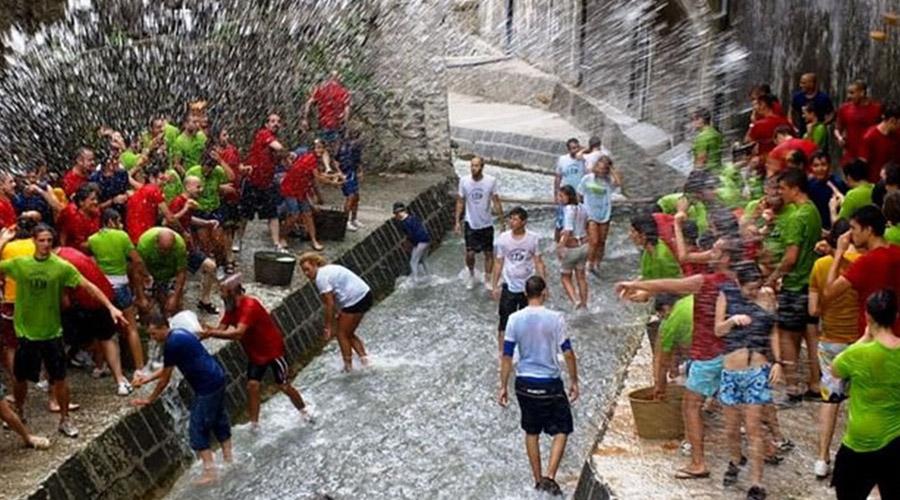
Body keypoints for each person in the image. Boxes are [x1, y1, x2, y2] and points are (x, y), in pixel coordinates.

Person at [615, 241, 739, 480]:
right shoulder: (737, 280)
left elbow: (670, 284)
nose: (710, 253)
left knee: (690, 407)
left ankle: (698, 463)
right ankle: (761, 450)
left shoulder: (707, 281)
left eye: (716, 251)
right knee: (737, 406)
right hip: (733, 353)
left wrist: (635, 284)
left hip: (709, 355)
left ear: (726, 258)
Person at [0, 224, 126, 438]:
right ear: (33, 241)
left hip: (52, 332)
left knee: (60, 379)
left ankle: (65, 419)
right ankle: (20, 410)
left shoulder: (60, 266)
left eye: (49, 240)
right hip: (26, 333)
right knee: (20, 379)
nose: (46, 245)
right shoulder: (21, 264)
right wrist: (2, 241)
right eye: (41, 240)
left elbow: (88, 286)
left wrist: (110, 306)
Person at [498, 276, 578, 497]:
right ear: (544, 292)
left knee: (531, 431)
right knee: (562, 429)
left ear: (525, 294)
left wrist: (503, 385)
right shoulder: (556, 318)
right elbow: (568, 352)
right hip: (550, 383)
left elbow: (506, 356)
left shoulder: (514, 319)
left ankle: (537, 480)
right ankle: (550, 477)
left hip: (524, 383)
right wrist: (574, 381)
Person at [132, 312, 232, 485]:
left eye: (154, 333)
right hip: (217, 376)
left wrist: (150, 399)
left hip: (206, 386)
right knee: (218, 418)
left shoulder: (172, 343)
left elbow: (165, 379)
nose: (153, 338)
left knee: (196, 428)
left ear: (164, 328)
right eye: (150, 335)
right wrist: (146, 379)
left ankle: (210, 472)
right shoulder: (180, 334)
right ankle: (229, 459)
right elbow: (167, 368)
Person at [201, 274, 310, 428]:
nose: (221, 295)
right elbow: (221, 330)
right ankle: (254, 424)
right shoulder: (231, 308)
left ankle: (304, 411)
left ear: (233, 292)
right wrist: (203, 333)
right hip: (256, 354)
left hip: (273, 351)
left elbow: (238, 333)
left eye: (223, 291)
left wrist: (210, 333)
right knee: (252, 386)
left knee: (283, 385)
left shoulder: (249, 306)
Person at [714, 262, 782, 500]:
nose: (754, 292)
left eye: (758, 287)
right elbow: (718, 330)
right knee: (732, 428)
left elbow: (774, 332)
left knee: (753, 428)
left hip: (757, 371)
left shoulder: (767, 297)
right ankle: (735, 459)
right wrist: (733, 320)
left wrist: (778, 362)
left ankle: (757, 483)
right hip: (731, 372)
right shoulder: (727, 294)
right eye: (750, 288)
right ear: (738, 283)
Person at [829, 290, 900, 500]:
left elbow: (834, 370)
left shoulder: (856, 355)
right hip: (896, 441)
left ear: (867, 316)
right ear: (896, 316)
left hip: (860, 443)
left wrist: (864, 337)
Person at [808, 220, 860, 479]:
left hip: (830, 342)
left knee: (830, 400)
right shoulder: (861, 265)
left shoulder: (820, 265)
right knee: (858, 401)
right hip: (860, 341)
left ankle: (822, 457)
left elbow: (813, 310)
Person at [768, 168, 822, 404]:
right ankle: (809, 380)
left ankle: (791, 388)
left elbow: (790, 257)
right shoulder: (813, 212)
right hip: (809, 282)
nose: (781, 193)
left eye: (783, 189)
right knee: (804, 334)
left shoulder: (797, 217)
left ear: (794, 188)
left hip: (795, 283)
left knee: (787, 336)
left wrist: (774, 276)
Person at [56, 244, 132, 396]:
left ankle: (52, 380)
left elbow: (65, 301)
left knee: (62, 339)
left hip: (89, 302)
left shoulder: (59, 263)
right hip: (104, 295)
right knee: (107, 338)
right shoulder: (70, 251)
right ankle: (119, 379)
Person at [87, 209, 148, 374]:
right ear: (110, 221)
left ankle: (100, 366)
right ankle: (140, 368)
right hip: (121, 286)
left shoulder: (92, 240)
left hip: (102, 289)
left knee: (103, 332)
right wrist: (144, 275)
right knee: (131, 328)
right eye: (118, 221)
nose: (121, 224)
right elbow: (137, 259)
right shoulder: (122, 236)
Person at [823, 205, 900, 335]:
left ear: (868, 230)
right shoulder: (896, 252)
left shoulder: (867, 261)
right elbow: (860, 272)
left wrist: (839, 252)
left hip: (872, 335)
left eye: (853, 228)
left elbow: (829, 291)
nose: (850, 234)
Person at [299, 253, 371, 372]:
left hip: (355, 300)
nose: (306, 274)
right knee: (348, 332)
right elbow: (335, 298)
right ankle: (365, 360)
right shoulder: (329, 269)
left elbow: (329, 303)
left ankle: (348, 367)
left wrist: (328, 326)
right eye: (304, 271)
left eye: (308, 269)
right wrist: (337, 315)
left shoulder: (321, 278)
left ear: (315, 265)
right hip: (365, 294)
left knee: (341, 334)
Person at [491, 207, 546, 354]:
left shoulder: (533, 238)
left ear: (524, 222)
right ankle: (502, 354)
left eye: (515, 219)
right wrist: (494, 285)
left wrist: (543, 286)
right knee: (504, 323)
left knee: (527, 322)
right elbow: (498, 262)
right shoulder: (503, 238)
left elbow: (538, 261)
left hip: (527, 288)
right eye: (510, 218)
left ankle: (525, 351)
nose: (511, 222)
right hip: (509, 285)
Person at [280, 139, 343, 252]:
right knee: (294, 215)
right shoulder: (311, 159)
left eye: (321, 148)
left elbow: (316, 175)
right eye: (317, 147)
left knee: (308, 214)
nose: (319, 150)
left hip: (301, 190)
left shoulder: (313, 159)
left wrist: (333, 175)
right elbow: (317, 178)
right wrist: (333, 182)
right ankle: (281, 236)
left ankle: (314, 240)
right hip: (290, 189)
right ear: (313, 149)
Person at [137, 226, 215, 316]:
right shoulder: (144, 245)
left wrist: (175, 297)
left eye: (168, 250)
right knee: (145, 305)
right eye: (162, 249)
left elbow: (181, 272)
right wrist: (141, 296)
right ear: (156, 243)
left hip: (170, 270)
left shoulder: (179, 246)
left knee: (174, 305)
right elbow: (137, 270)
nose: (165, 252)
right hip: (150, 270)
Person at [455, 156, 503, 289]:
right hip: (471, 223)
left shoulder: (490, 181)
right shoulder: (464, 181)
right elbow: (460, 201)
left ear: (482, 167)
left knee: (488, 253)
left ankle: (487, 278)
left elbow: (496, 201)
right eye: (471, 165)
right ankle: (471, 275)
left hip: (487, 223)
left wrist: (502, 221)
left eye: (476, 166)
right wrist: (457, 221)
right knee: (470, 253)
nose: (473, 168)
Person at [242, 114, 287, 249]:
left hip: (267, 183)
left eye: (278, 122)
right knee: (245, 215)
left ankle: (276, 243)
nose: (276, 124)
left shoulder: (274, 139)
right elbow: (279, 148)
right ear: (266, 124)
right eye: (273, 121)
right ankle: (237, 240)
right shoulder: (263, 134)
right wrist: (288, 154)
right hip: (253, 181)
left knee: (272, 215)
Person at [577, 155, 620, 275]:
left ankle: (597, 262)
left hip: (605, 213)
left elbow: (618, 183)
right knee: (594, 240)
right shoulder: (587, 179)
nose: (601, 171)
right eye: (599, 168)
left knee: (602, 241)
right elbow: (579, 194)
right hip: (590, 212)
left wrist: (611, 169)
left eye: (604, 169)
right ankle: (589, 263)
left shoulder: (608, 182)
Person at [653, 294, 693, 399]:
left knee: (691, 403)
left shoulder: (669, 324)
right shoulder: (690, 298)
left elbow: (662, 363)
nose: (663, 319)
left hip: (710, 356)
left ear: (666, 309)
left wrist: (660, 389)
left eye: (661, 316)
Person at [556, 186, 588, 309]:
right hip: (584, 245)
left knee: (565, 276)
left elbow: (568, 229)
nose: (559, 199)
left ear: (568, 197)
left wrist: (560, 246)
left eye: (561, 196)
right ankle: (584, 303)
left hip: (572, 247)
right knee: (581, 276)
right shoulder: (582, 207)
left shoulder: (568, 209)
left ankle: (575, 300)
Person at [126, 166, 175, 243]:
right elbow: (170, 217)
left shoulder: (142, 189)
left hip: (132, 235)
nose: (164, 182)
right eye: (161, 179)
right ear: (152, 178)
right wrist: (183, 232)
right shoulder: (154, 190)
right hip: (144, 236)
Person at [302, 70, 351, 146]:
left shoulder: (321, 89)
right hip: (336, 126)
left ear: (329, 78)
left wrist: (305, 119)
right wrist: (346, 127)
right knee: (335, 151)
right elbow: (346, 112)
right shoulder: (343, 92)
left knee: (320, 148)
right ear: (338, 78)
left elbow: (309, 103)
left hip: (322, 124)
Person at [859, 102, 900, 183]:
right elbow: (862, 164)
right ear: (892, 120)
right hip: (876, 184)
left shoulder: (897, 133)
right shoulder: (870, 137)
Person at [554, 139, 586, 241]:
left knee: (579, 220)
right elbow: (558, 177)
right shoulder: (562, 159)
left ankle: (577, 241)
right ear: (568, 149)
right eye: (572, 148)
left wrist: (583, 150)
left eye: (577, 147)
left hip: (579, 195)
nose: (575, 150)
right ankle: (557, 241)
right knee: (560, 220)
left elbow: (593, 150)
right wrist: (556, 194)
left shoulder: (583, 159)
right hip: (565, 194)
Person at [807, 151, 847, 230]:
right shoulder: (809, 185)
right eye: (816, 165)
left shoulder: (838, 184)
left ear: (829, 166)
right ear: (811, 167)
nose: (820, 169)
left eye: (823, 165)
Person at [392, 202, 430, 282]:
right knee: (423, 260)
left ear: (398, 213)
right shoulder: (412, 217)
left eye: (395, 214)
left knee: (413, 262)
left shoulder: (404, 222)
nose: (395, 217)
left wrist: (408, 244)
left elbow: (411, 235)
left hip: (420, 243)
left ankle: (415, 281)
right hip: (427, 240)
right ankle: (429, 276)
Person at [56, 183, 101, 251]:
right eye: (92, 199)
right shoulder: (71, 214)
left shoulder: (96, 212)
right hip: (72, 252)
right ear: (81, 202)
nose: (96, 202)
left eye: (97, 199)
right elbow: (62, 233)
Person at [790, 73, 834, 137]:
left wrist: (822, 124)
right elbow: (791, 111)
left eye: (803, 83)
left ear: (812, 83)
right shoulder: (797, 97)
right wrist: (793, 126)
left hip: (818, 132)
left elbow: (832, 113)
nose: (800, 85)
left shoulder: (823, 98)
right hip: (801, 132)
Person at [337, 129, 364, 231]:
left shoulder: (356, 147)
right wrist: (340, 173)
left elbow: (358, 160)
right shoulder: (343, 147)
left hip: (352, 172)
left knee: (356, 196)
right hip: (346, 173)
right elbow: (336, 161)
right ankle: (345, 221)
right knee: (351, 196)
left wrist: (360, 171)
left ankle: (354, 219)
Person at [691, 108, 723, 174]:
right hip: (718, 172)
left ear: (701, 119)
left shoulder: (702, 137)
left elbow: (701, 161)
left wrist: (692, 177)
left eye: (693, 120)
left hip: (707, 174)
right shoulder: (716, 133)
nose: (692, 123)